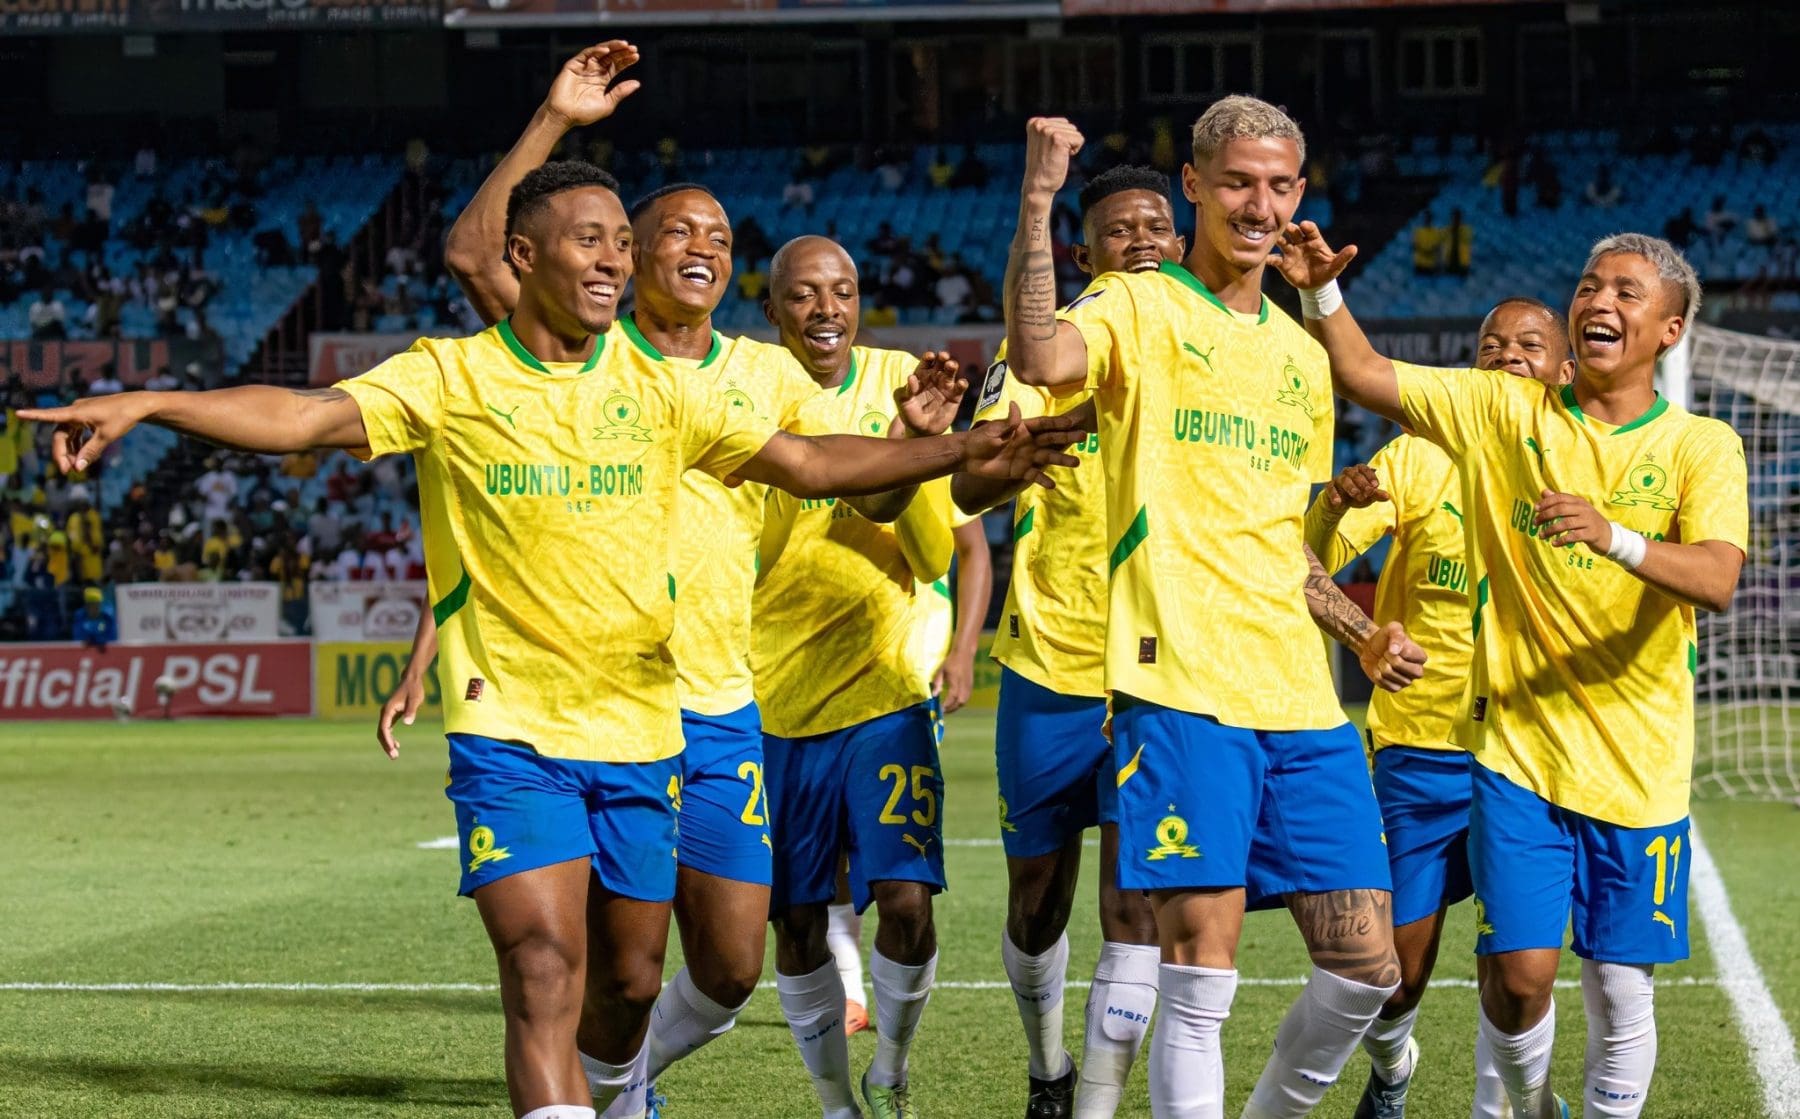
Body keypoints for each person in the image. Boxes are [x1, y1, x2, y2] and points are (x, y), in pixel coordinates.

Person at [23, 153, 1081, 1119]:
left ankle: (619, 1093)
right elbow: (301, 417)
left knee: (632, 982)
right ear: (524, 258)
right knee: (540, 965)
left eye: (623, 243)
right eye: (594, 239)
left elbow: (813, 469)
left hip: (647, 731)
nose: (616, 260)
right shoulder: (452, 378)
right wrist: (151, 402)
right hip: (512, 732)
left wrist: (966, 448)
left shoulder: (664, 394)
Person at [381, 46, 1010, 1119]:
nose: (702, 249)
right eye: (677, 231)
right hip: (593, 702)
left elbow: (843, 483)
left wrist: (934, 449)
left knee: (726, 969)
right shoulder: (587, 345)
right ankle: (608, 1097)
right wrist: (552, 119)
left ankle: (612, 1081)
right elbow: (475, 251)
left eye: (722, 238)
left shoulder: (765, 374)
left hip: (721, 698)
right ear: (625, 258)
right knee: (590, 964)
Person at [964, 161, 1423, 1119]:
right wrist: (1037, 195)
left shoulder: (1300, 357)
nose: (1262, 205)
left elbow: (1279, 540)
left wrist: (1357, 628)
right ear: (1197, 195)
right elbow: (1035, 367)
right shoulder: (1133, 310)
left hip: (1298, 694)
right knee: (1146, 942)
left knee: (1367, 966)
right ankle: (1065, 1081)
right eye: (1240, 183)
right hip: (1138, 674)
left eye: (1283, 185)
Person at [1277, 224, 1747, 1119]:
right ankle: (1519, 1107)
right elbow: (1368, 373)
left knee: (1617, 987)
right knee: (1521, 976)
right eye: (1589, 284)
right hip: (1516, 752)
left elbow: (1717, 576)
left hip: (1639, 764)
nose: (1599, 301)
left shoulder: (1700, 445)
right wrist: (1321, 296)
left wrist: (1614, 535)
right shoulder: (1504, 414)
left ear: (1669, 331)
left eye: (1625, 293)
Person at [1304, 298, 1574, 1118]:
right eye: (1490, 342)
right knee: (1392, 975)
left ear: (1564, 369)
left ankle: (1515, 1106)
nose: (1506, 354)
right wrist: (1334, 504)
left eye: (1529, 343)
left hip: (1529, 750)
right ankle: (1391, 1071)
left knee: (1517, 969)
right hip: (1420, 750)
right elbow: (1308, 556)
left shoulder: (1576, 461)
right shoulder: (1418, 457)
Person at [755, 233, 982, 1119]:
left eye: (843, 290)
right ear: (772, 310)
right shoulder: (747, 390)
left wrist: (935, 445)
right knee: (798, 920)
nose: (827, 308)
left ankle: (889, 1063)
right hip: (775, 692)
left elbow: (946, 537)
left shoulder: (903, 376)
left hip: (889, 684)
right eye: (805, 294)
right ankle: (834, 1101)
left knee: (907, 898)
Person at [71, 586, 116, 650]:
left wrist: (98, 640)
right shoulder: (80, 618)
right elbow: (78, 638)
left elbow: (112, 639)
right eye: (91, 604)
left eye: (97, 604)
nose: (94, 608)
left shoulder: (107, 618)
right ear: (86, 606)